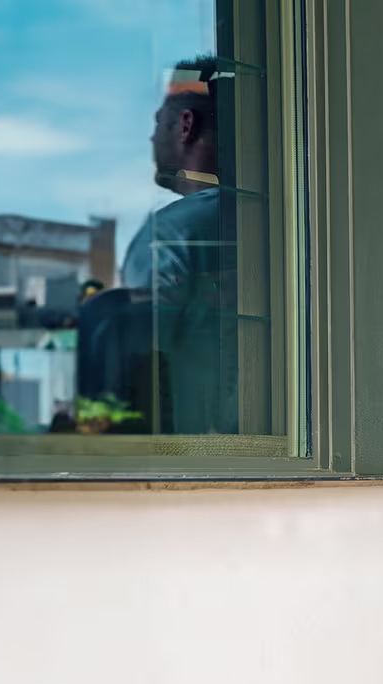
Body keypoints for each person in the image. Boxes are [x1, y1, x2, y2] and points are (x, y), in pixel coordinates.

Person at [116, 56, 234, 433]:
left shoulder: (170, 235)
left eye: (158, 123)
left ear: (185, 125)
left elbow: (138, 370)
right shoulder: (280, 227)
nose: (152, 138)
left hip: (190, 460)